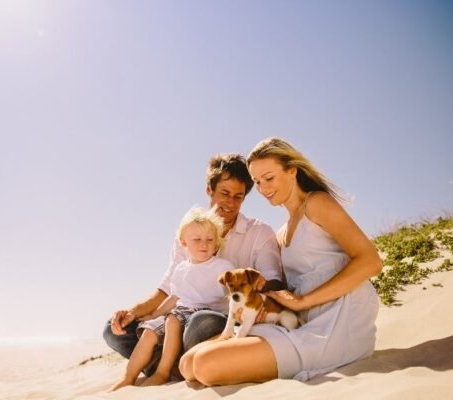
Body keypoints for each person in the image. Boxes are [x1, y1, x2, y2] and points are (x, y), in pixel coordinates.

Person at [179, 137, 383, 385]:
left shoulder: (317, 203)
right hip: (301, 322)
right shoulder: (281, 233)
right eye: (257, 182)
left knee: (204, 365)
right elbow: (284, 287)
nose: (263, 188)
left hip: (338, 323)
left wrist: (302, 301)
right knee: (187, 363)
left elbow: (371, 262)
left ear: (292, 170)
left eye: (269, 178)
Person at [103, 153, 284, 377]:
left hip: (221, 318)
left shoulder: (259, 232)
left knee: (200, 323)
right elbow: (168, 288)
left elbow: (274, 281)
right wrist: (132, 313)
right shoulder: (189, 233)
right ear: (209, 190)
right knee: (113, 332)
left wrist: (254, 297)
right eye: (224, 193)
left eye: (238, 197)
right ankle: (176, 364)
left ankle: (171, 364)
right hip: (180, 315)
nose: (230, 203)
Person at [110, 206, 235, 391]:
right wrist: (154, 314)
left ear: (217, 243)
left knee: (173, 320)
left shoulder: (222, 266)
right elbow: (175, 297)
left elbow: (235, 293)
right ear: (184, 243)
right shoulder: (181, 269)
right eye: (197, 240)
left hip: (207, 314)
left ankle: (163, 372)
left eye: (210, 240)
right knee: (150, 331)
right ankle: (128, 377)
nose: (205, 244)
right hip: (181, 311)